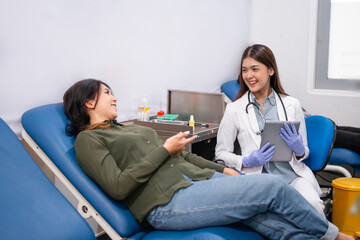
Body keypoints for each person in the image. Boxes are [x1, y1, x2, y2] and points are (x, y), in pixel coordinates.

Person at [63, 78, 353, 240]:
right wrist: (164, 150)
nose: (114, 98)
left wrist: (223, 169)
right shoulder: (89, 140)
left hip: (195, 182)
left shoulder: (130, 127)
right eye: (107, 94)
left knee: (262, 216)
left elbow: (183, 160)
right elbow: (117, 186)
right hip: (167, 203)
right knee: (272, 188)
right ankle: (334, 236)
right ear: (89, 102)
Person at [215, 44, 325, 216]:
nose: (249, 75)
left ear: (270, 71)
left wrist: (298, 149)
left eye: (255, 69)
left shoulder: (292, 104)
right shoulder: (234, 109)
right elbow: (220, 154)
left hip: (292, 177)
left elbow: (304, 151)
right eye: (244, 70)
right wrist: (246, 161)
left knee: (314, 206)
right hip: (258, 180)